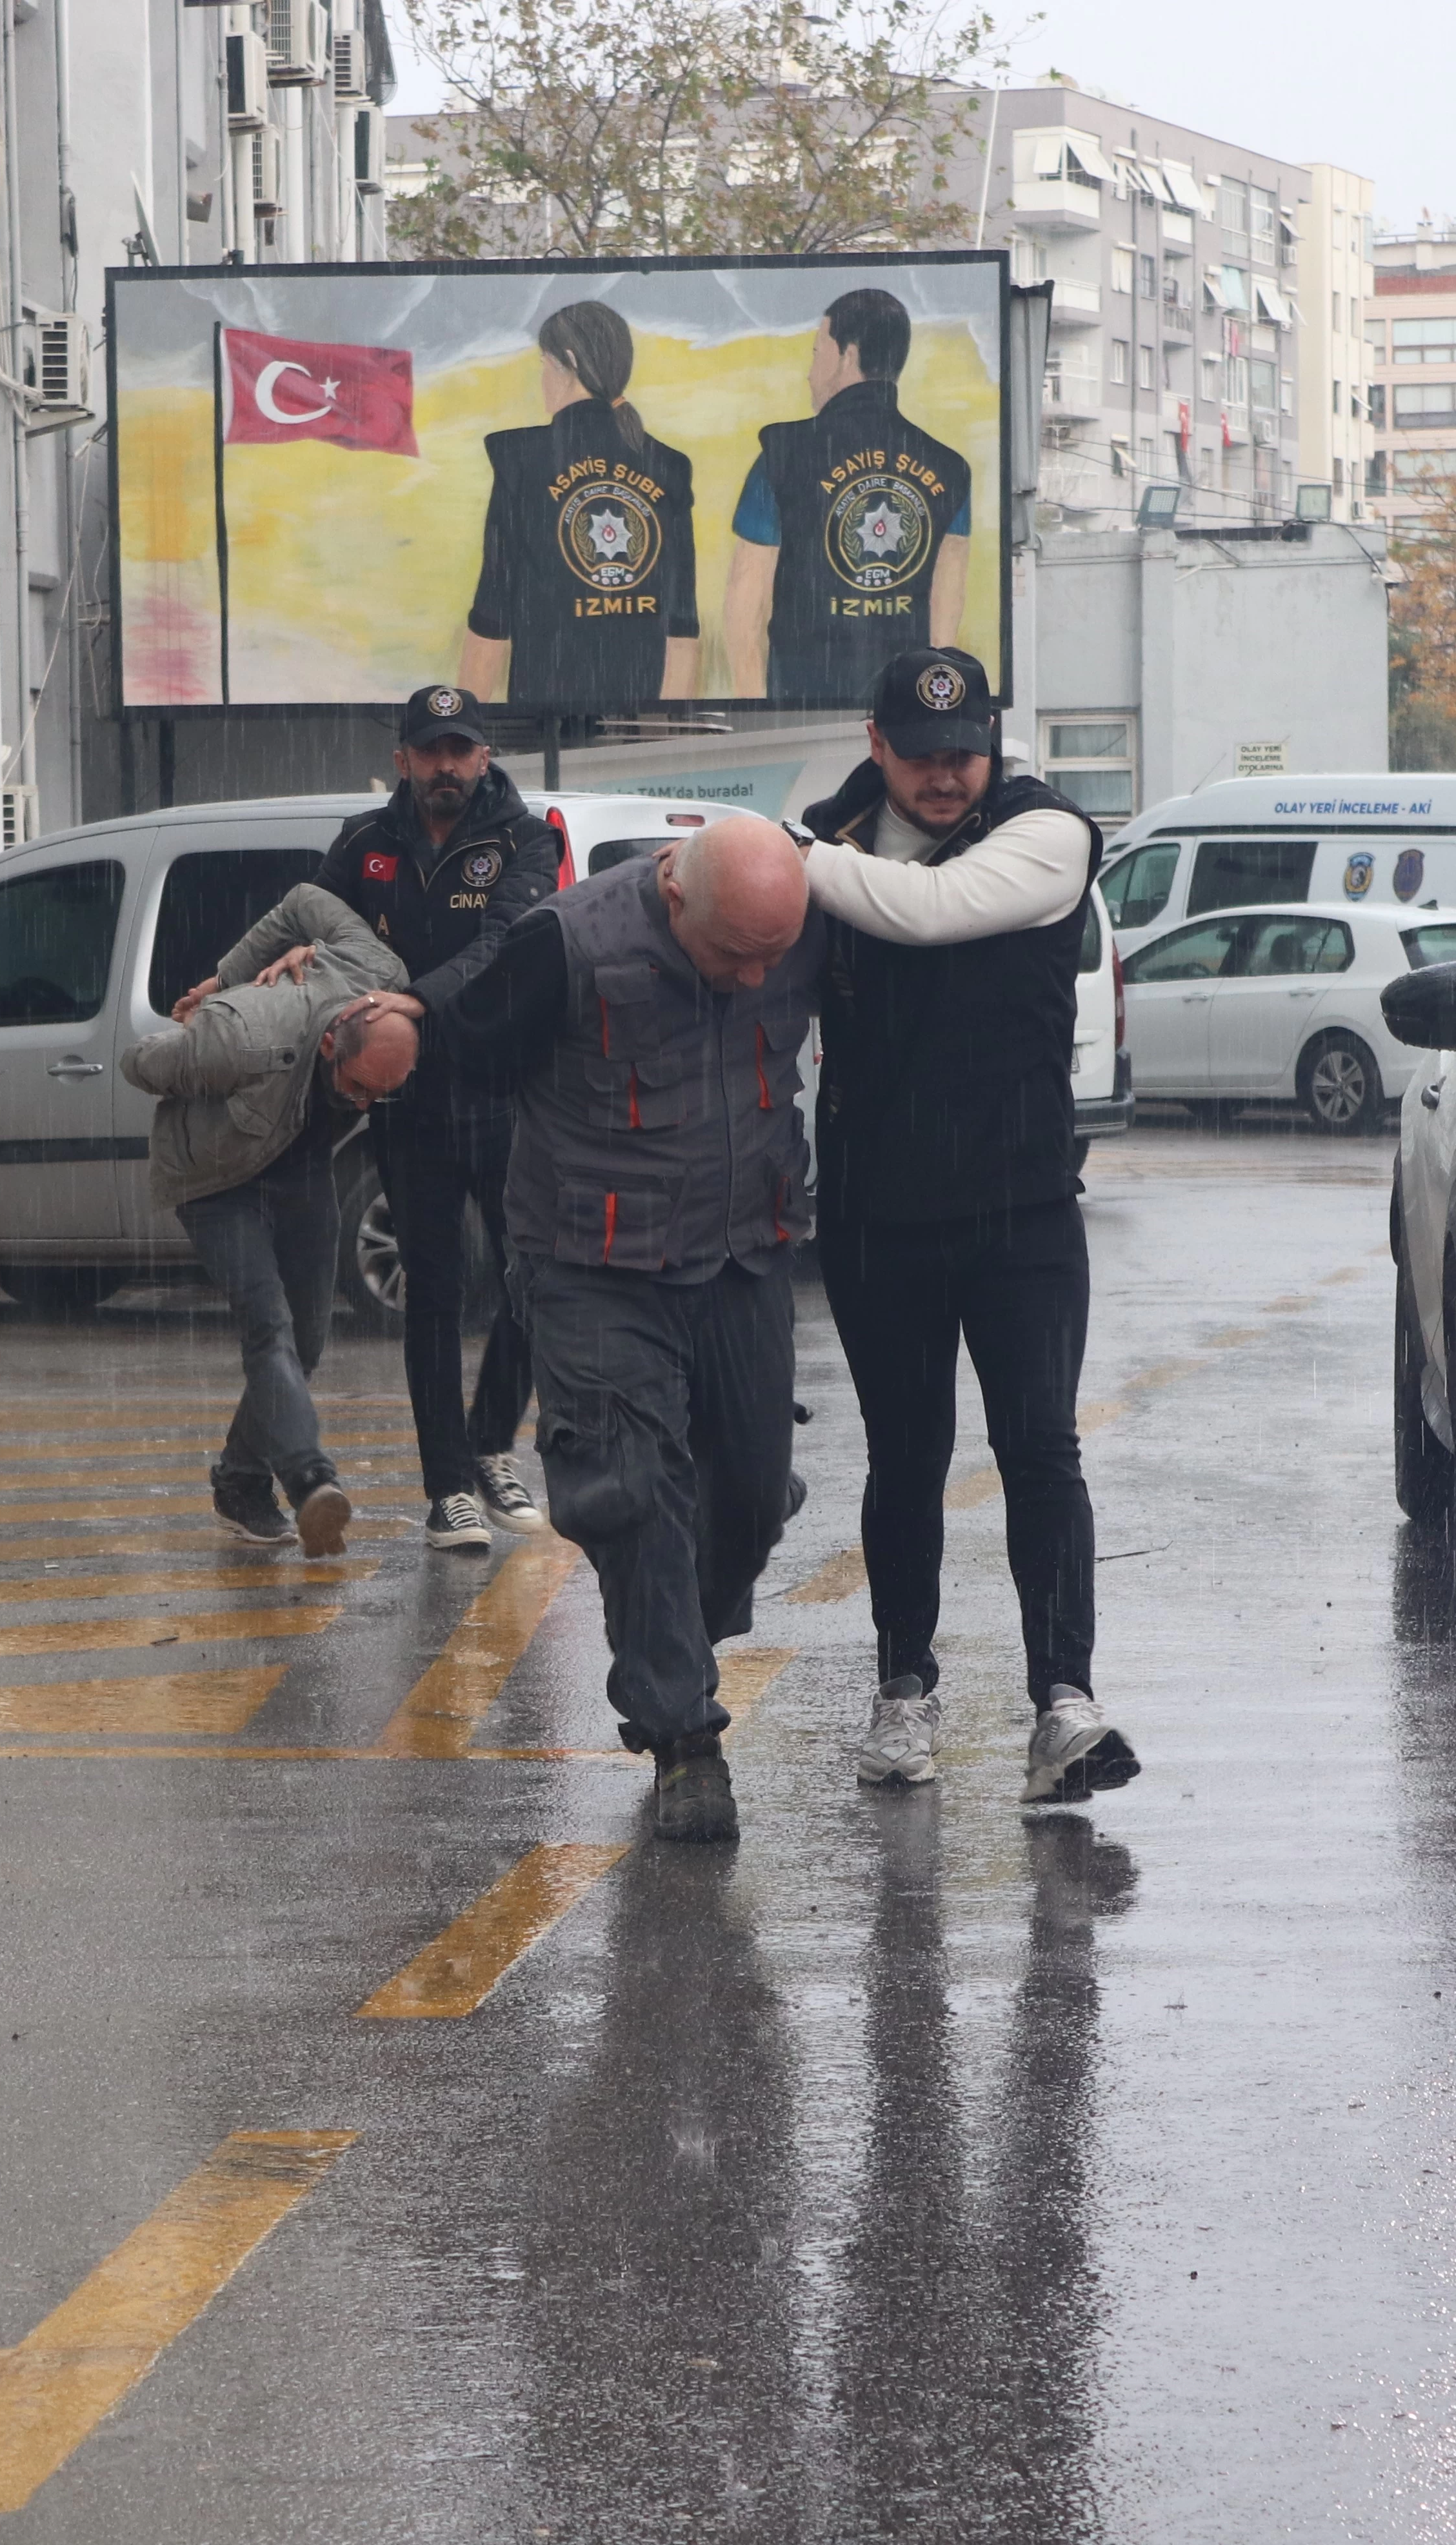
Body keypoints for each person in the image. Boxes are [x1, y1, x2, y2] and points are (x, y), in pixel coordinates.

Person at [354, 815, 828, 1842]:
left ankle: (679, 1631)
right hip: (595, 1269)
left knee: (748, 1491)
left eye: (773, 959)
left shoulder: (801, 921)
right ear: (673, 894)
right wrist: (383, 1032)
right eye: (734, 955)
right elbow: (462, 1054)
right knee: (631, 1491)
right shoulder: (564, 944)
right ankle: (683, 1741)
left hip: (746, 1249)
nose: (755, 981)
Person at [795, 646, 1138, 1807]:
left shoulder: (1046, 834)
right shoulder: (829, 837)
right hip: (878, 1215)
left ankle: (1065, 1705)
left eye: (968, 751)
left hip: (1021, 1208)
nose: (950, 776)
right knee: (906, 1461)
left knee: (1041, 1449)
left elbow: (930, 913)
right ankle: (904, 1692)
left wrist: (790, 860)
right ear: (877, 742)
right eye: (925, 754)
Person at [312, 685, 555, 1555]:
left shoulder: (526, 839)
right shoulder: (367, 844)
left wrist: (414, 1001)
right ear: (403, 758)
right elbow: (314, 921)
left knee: (531, 1278)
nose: (447, 765)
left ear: (486, 756)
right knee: (433, 1299)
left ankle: (492, 1443)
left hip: (500, 1092)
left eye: (462, 750)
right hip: (408, 1106)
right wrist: (267, 962)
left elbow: (503, 946)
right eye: (431, 750)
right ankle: (447, 1488)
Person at [121, 882, 420, 1557]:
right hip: (217, 1179)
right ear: (327, 1050)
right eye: (359, 1089)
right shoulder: (241, 1039)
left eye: (383, 1095)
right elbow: (138, 1062)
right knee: (269, 1323)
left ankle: (239, 1482)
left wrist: (246, 960)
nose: (368, 1107)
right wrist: (212, 1004)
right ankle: (312, 1481)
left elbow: (302, 897)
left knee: (307, 1342)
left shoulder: (381, 972)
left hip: (297, 1169)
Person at [718, 289, 975, 706]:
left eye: (817, 352)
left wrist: (756, 710)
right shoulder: (950, 469)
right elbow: (944, 628)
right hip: (904, 719)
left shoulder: (782, 455)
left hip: (798, 710)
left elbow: (743, 611)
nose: (809, 373)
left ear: (847, 356)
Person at [460, 301, 701, 710]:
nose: (541, 379)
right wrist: (665, 738)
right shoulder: (668, 467)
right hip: (635, 720)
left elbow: (492, 614)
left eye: (543, 363)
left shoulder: (521, 459)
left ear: (568, 362)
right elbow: (682, 627)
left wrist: (466, 728)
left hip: (543, 718)